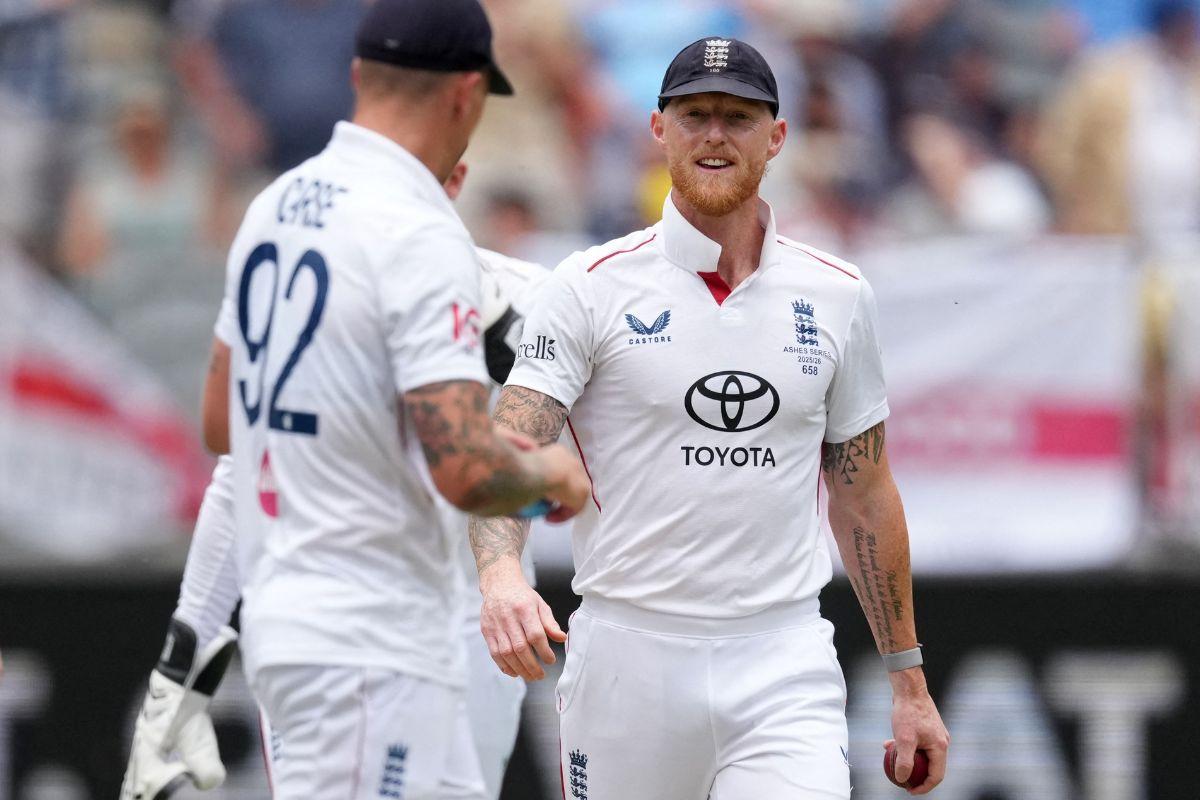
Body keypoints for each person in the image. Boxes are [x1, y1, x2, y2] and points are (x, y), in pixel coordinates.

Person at [469, 37, 950, 798]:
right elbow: (511, 443)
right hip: (628, 657)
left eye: (738, 116)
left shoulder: (837, 294)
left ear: (777, 137)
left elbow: (864, 494)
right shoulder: (591, 286)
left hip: (782, 658)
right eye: (695, 115)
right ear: (659, 131)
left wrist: (908, 682)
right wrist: (500, 579)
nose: (716, 135)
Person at [134, 1, 592, 798]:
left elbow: (223, 426)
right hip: (371, 638)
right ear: (467, 95)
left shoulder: (275, 207)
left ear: (357, 77)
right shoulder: (419, 236)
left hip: (312, 622)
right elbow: (466, 474)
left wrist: (185, 663)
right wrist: (551, 476)